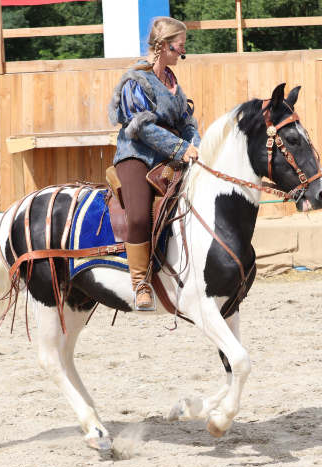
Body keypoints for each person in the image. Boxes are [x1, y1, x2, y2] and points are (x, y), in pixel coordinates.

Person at [108, 16, 200, 311]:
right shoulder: (135, 80)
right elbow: (142, 129)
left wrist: (195, 144)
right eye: (179, 48)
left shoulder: (172, 81)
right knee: (139, 217)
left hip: (170, 155)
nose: (182, 55)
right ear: (162, 47)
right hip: (137, 155)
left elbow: (187, 121)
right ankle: (141, 284)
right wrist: (181, 148)